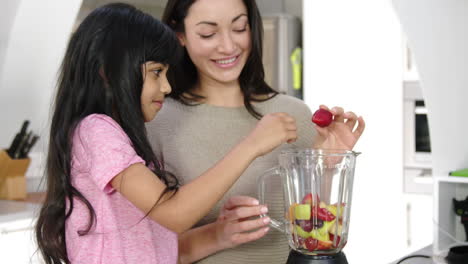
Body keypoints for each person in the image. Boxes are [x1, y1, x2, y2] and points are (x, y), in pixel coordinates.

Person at [34, 3, 298, 264]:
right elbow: (174, 212)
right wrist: (252, 145)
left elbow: (163, 252)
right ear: (107, 72)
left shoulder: (125, 145)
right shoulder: (96, 132)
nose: (167, 86)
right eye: (157, 72)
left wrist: (220, 233)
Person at [146, 0, 366, 263]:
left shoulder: (294, 114)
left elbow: (314, 231)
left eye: (239, 28)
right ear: (179, 34)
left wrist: (328, 165)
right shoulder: (157, 121)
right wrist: (217, 234)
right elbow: (143, 250)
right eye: (208, 33)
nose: (228, 46)